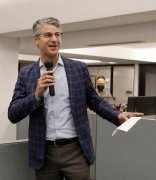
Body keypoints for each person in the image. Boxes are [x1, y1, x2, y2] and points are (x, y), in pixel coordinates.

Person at [7, 17, 142, 180]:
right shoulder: (26, 74)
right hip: (43, 153)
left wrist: (117, 115)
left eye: (58, 34)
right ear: (36, 39)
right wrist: (36, 94)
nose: (55, 39)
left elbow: (94, 100)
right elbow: (13, 114)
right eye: (48, 35)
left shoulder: (78, 68)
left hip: (76, 150)